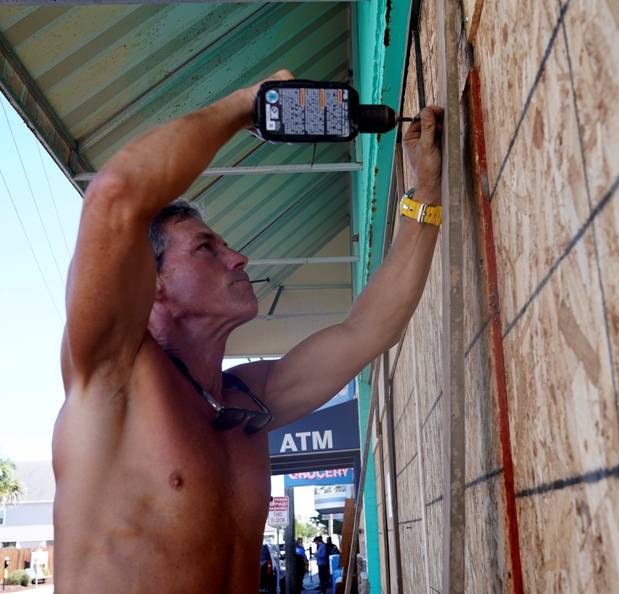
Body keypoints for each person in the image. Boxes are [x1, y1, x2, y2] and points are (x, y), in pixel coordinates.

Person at [52, 66, 444, 593]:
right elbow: (116, 193)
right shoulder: (111, 377)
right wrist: (245, 106)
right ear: (154, 285)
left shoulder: (245, 402)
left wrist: (425, 191)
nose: (238, 258)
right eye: (206, 248)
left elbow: (368, 330)